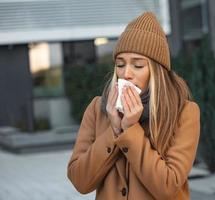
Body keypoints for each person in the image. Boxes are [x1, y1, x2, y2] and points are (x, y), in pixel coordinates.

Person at [67, 11, 201, 200]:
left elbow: (168, 186)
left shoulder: (184, 112)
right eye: (120, 65)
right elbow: (80, 181)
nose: (126, 74)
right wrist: (113, 130)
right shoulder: (98, 109)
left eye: (138, 65)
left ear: (157, 71)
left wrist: (130, 130)